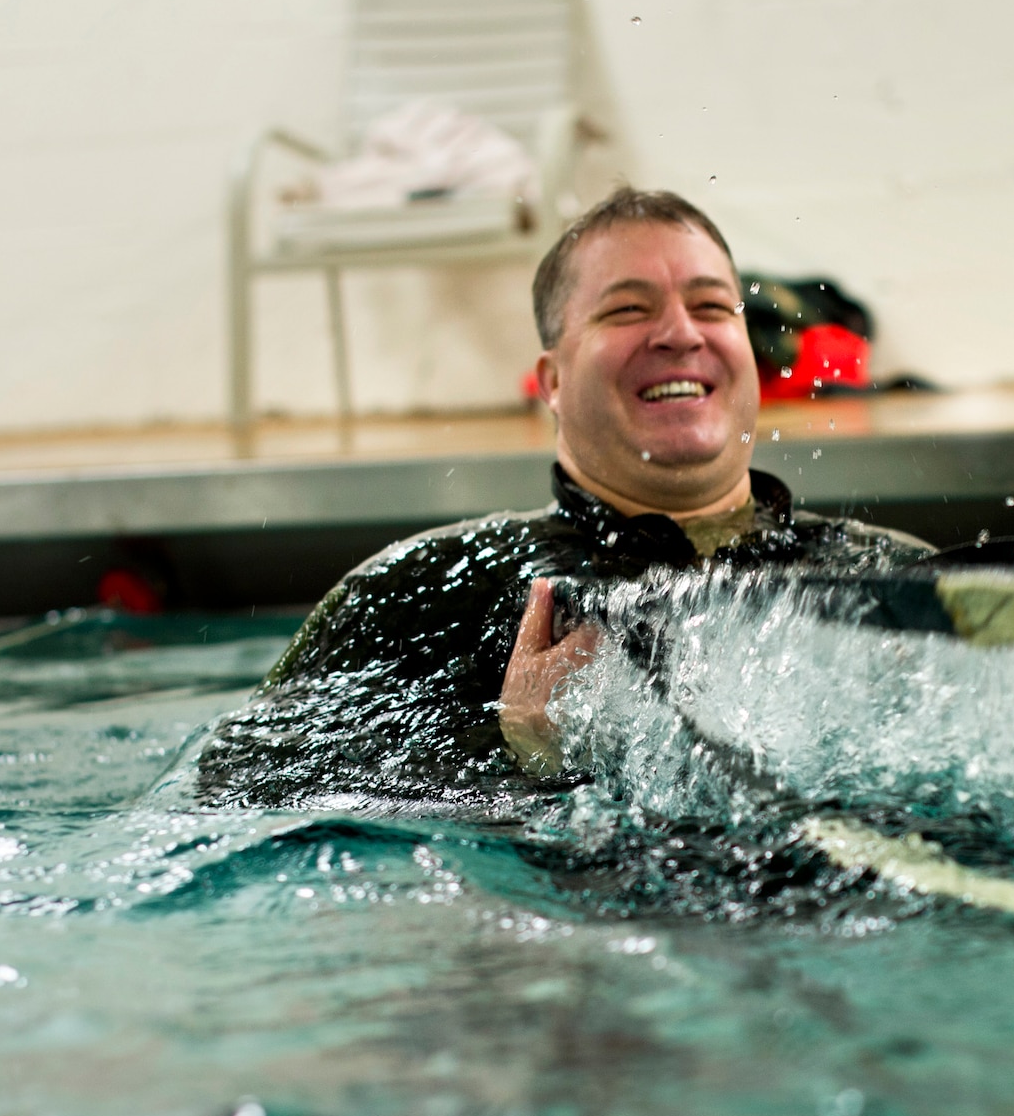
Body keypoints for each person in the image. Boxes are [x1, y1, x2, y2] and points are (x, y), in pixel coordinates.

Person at [197, 188, 929, 807]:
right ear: (550, 380)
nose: (680, 333)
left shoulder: (888, 580)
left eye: (711, 306)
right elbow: (236, 788)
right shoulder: (418, 593)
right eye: (626, 311)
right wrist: (523, 754)